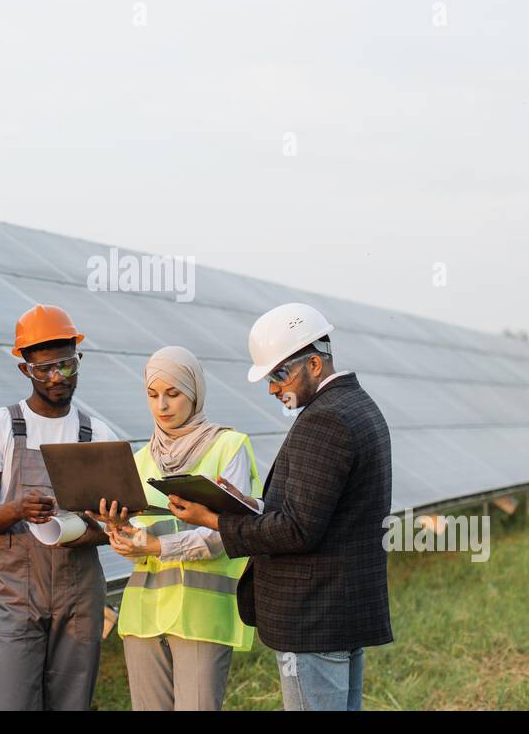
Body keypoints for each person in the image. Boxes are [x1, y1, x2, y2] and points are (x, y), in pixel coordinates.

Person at [168, 302, 393, 711]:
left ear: (313, 363)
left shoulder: (325, 420)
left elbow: (297, 530)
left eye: (279, 375)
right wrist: (246, 504)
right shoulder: (359, 407)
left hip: (313, 618)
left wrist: (214, 519)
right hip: (339, 613)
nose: (273, 388)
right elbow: (321, 509)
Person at [90, 346, 262, 711]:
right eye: (153, 395)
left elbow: (225, 533)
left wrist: (155, 547)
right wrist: (118, 529)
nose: (162, 406)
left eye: (173, 394)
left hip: (202, 615)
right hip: (143, 612)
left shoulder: (228, 446)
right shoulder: (140, 459)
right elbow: (134, 539)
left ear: (195, 393)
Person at [0, 304, 116, 710]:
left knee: (71, 703)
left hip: (80, 595)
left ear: (77, 359)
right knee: (10, 701)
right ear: (25, 370)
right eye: (44, 369)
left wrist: (86, 529)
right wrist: (18, 508)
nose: (57, 377)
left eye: (67, 365)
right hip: (18, 595)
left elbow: (114, 526)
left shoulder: (96, 434)